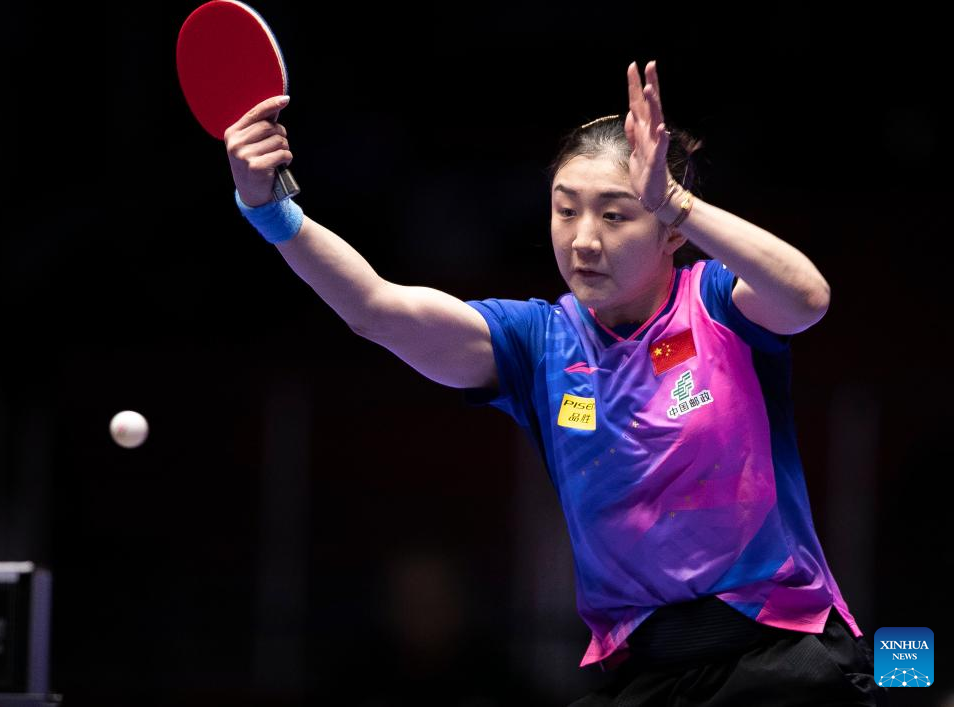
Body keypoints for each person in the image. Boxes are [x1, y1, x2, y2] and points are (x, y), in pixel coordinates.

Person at [224, 60, 888, 706]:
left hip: (781, 656)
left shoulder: (717, 305)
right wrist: (269, 209)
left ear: (670, 234)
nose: (583, 240)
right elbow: (376, 309)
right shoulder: (538, 344)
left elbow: (807, 297)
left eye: (616, 215)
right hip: (649, 674)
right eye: (566, 211)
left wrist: (678, 203)